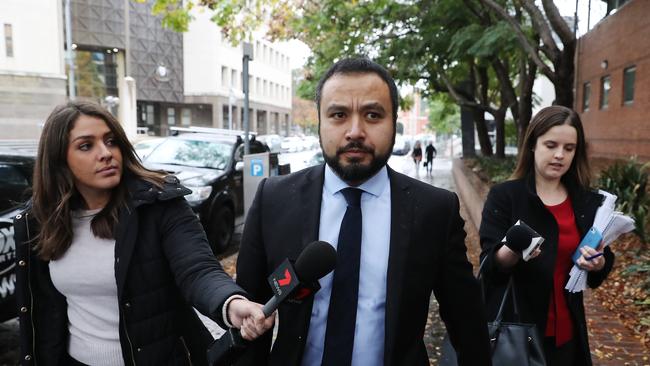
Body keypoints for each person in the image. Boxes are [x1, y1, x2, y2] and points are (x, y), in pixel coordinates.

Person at [235, 58, 491, 366]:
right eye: (339, 115)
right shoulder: (274, 200)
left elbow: (467, 323)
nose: (355, 131)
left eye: (372, 115)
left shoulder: (435, 210)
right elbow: (249, 316)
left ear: (394, 121)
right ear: (320, 121)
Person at [13, 101, 275, 365]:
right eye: (86, 145)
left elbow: (198, 270)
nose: (105, 153)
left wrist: (230, 304)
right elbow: (42, 312)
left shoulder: (159, 203)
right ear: (59, 160)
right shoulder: (40, 220)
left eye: (111, 141)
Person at [479, 105, 614, 366]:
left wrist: (599, 263)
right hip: (517, 333)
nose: (559, 155)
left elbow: (603, 259)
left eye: (569, 148)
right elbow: (491, 268)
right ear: (533, 145)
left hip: (568, 333)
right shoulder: (505, 196)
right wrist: (514, 248)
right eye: (551, 145)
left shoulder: (586, 201)